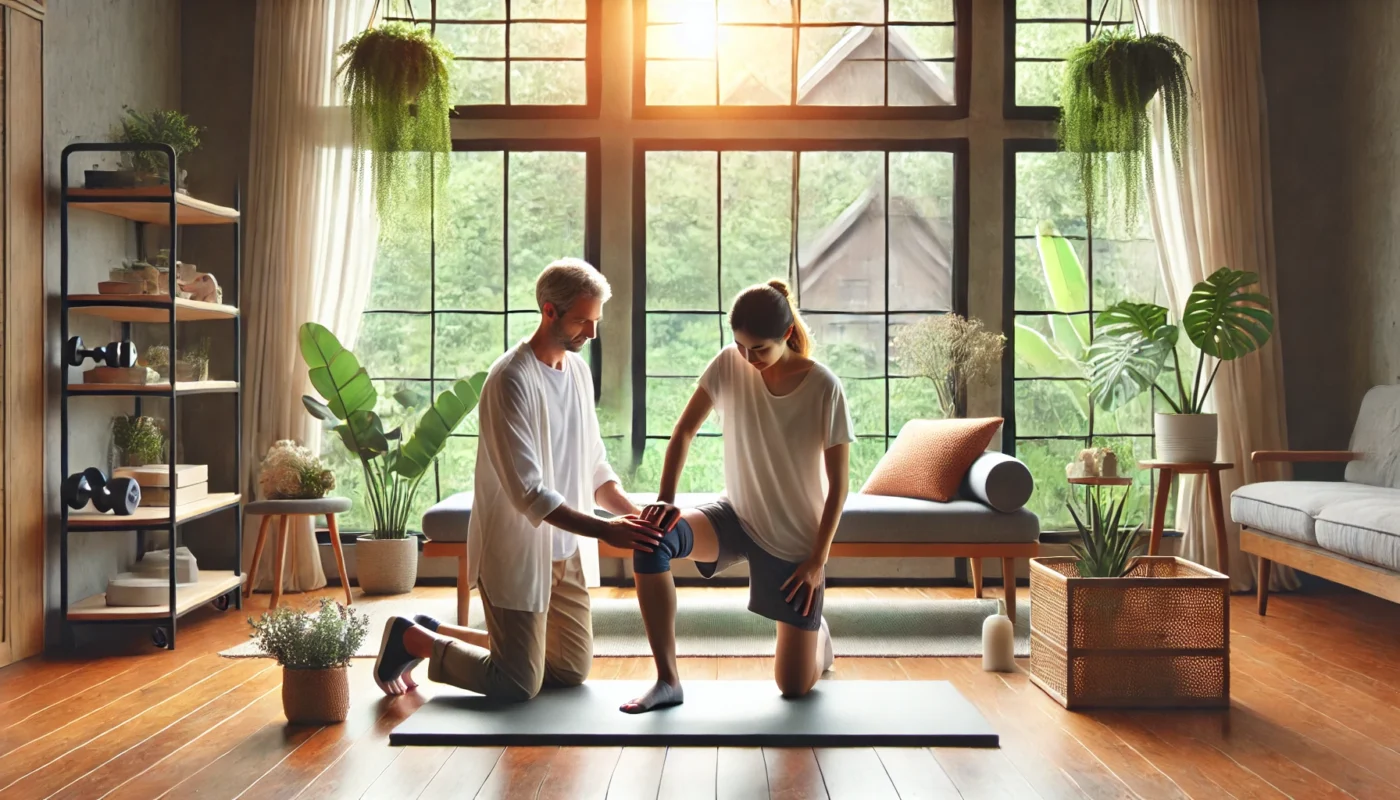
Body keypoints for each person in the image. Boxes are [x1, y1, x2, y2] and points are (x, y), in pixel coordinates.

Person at [373, 258, 663, 701]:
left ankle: (438, 632)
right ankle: (413, 640)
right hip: (518, 550)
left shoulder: (579, 372)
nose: (593, 333)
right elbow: (530, 493)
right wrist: (607, 531)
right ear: (549, 311)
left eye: (596, 321)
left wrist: (635, 515)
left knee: (568, 671)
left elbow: (595, 467)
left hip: (565, 551)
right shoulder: (511, 378)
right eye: (584, 321)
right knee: (516, 684)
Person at [621, 280, 853, 714]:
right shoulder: (730, 363)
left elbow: (838, 486)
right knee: (653, 538)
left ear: (786, 335)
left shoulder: (823, 387)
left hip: (795, 542)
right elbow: (684, 431)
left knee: (793, 688)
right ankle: (668, 680)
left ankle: (818, 636)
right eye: (741, 346)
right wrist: (666, 498)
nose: (749, 358)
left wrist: (817, 562)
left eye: (759, 350)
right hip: (736, 516)